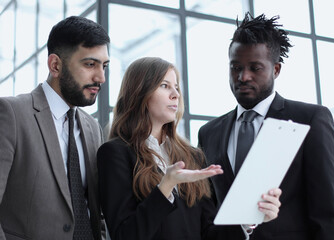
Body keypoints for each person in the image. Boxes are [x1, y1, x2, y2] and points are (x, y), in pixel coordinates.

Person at [0, 16, 110, 240]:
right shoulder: (11, 114)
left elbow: (95, 215)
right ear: (55, 65)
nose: (101, 77)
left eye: (104, 66)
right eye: (90, 64)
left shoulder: (92, 128)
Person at [97, 57, 282, 240]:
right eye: (164, 85)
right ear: (139, 92)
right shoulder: (114, 154)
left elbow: (209, 234)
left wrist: (246, 220)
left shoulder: (192, 156)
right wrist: (166, 185)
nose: (175, 94)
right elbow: (124, 234)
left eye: (176, 87)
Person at [198, 13, 334, 239]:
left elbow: (328, 217)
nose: (243, 76)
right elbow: (208, 217)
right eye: (235, 67)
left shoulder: (310, 119)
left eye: (255, 68)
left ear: (276, 69)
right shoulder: (209, 133)